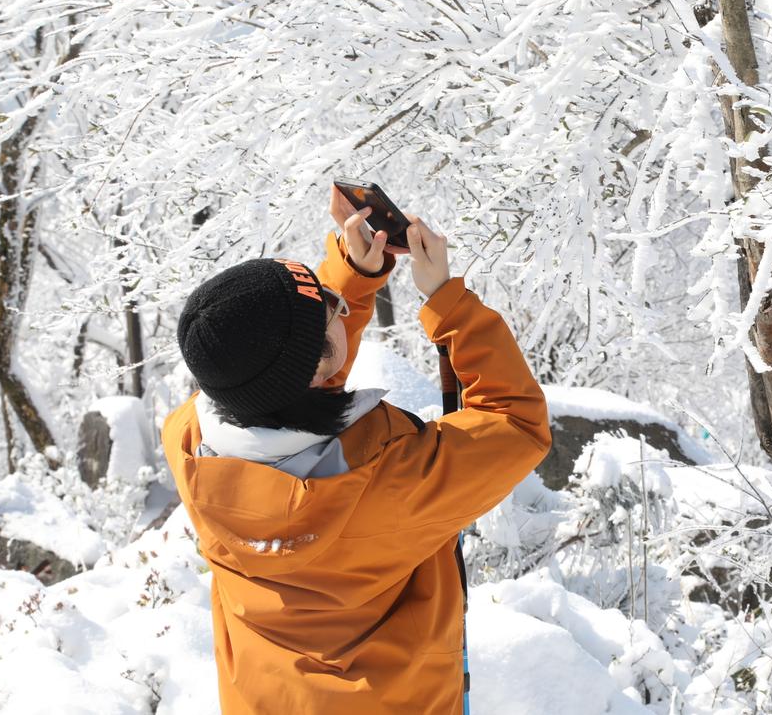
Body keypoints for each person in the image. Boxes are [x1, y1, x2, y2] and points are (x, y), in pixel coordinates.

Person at [161, 186, 551, 714]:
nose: (337, 305)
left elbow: (296, 383)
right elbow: (517, 423)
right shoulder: (388, 480)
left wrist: (354, 275)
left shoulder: (188, 440)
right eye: (330, 312)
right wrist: (447, 302)